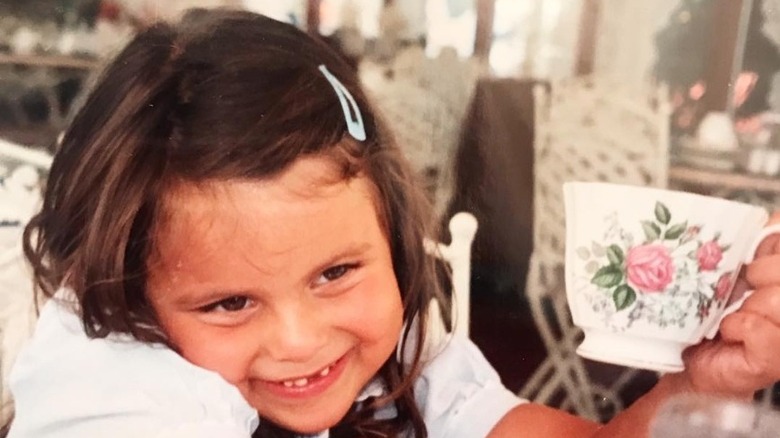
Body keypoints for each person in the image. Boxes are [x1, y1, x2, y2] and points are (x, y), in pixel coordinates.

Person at [6, 8, 780, 437]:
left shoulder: (402, 352)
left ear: (394, 232)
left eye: (337, 272)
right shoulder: (112, 385)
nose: (303, 340)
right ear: (131, 296)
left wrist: (695, 389)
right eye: (230, 303)